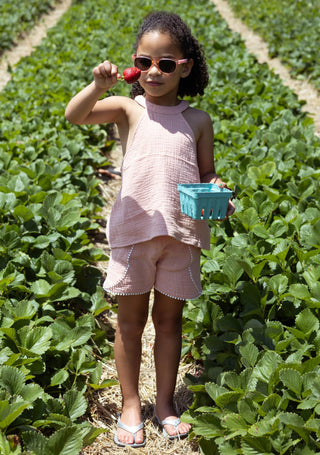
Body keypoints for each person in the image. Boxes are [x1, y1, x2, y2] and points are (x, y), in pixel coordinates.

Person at [65, 10, 235, 448]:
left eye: (166, 63)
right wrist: (97, 87)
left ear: (186, 67)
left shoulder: (198, 120)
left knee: (170, 321)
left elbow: (208, 172)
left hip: (182, 234)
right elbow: (75, 116)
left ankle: (164, 404)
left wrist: (218, 190)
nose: (154, 72)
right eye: (144, 63)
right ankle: (130, 405)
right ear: (134, 67)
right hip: (134, 232)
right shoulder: (126, 108)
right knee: (129, 323)